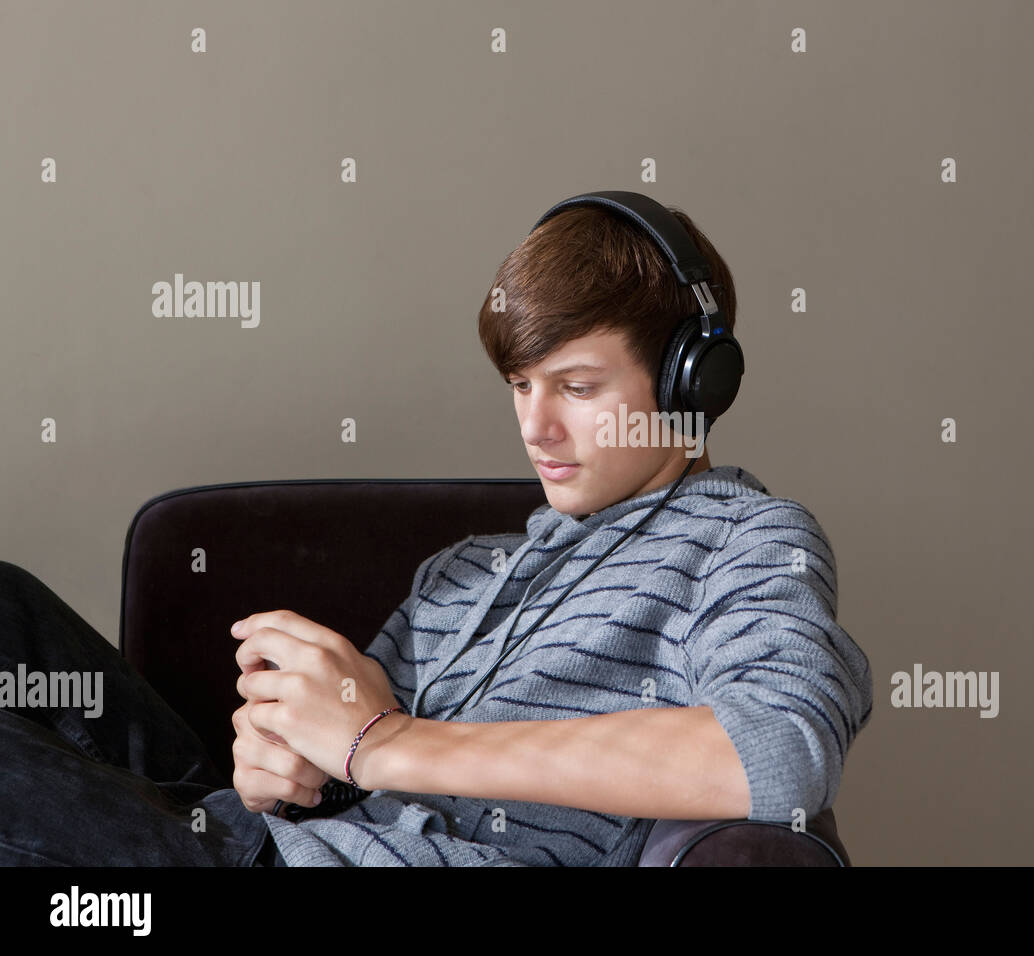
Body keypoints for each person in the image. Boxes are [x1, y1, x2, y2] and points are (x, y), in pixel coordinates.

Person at [0, 197, 872, 866]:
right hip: (252, 838)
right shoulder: (463, 573)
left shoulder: (747, 541)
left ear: (693, 384)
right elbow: (341, 772)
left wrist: (388, 742)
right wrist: (285, 763)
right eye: (521, 385)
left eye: (575, 386)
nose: (537, 428)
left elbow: (777, 754)